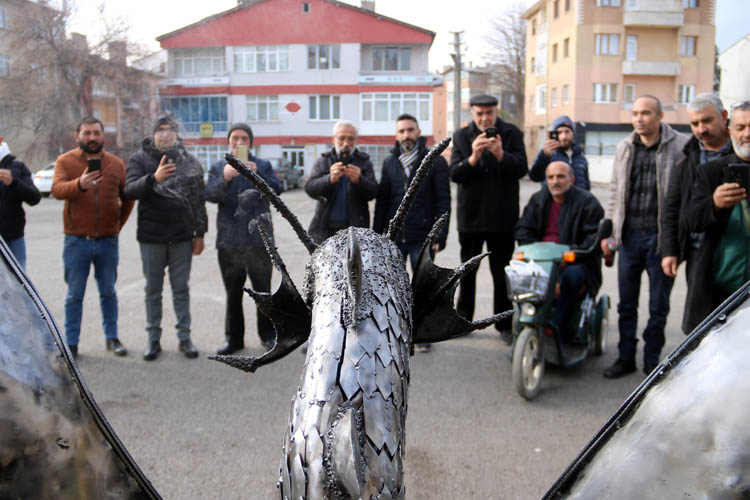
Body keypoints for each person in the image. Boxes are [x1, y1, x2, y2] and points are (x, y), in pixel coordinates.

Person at [601, 96, 689, 378]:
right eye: (635, 113)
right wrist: (612, 232)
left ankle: (652, 361)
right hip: (629, 238)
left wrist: (675, 242)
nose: (639, 118)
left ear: (660, 115)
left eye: (646, 113)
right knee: (627, 304)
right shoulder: (625, 146)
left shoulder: (681, 145)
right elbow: (615, 192)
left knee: (658, 306)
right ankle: (625, 357)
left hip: (662, 240)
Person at [125, 114, 207, 361]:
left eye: (169, 129)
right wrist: (154, 178)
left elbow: (198, 200)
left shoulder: (188, 161)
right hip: (152, 237)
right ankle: (153, 340)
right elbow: (129, 190)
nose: (165, 134)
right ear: (153, 133)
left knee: (181, 289)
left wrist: (200, 233)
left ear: (176, 133)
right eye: (160, 129)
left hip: (182, 236)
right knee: (153, 291)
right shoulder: (139, 159)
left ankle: (185, 338)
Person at [51, 117, 134, 359]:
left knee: (108, 292)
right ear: (77, 136)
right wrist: (79, 184)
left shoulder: (116, 164)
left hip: (108, 241)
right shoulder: (65, 161)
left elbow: (127, 198)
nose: (92, 138)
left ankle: (112, 337)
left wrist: (117, 226)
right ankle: (72, 343)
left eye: (96, 133)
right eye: (87, 133)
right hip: (77, 241)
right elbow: (56, 190)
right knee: (74, 294)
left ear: (103, 136)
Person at [449, 93, 527, 343]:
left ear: (496, 112)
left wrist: (501, 154)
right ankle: (463, 320)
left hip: (503, 218)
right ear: (472, 113)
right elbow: (456, 175)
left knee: (500, 273)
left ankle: (503, 325)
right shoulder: (461, 136)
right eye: (479, 113)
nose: (484, 118)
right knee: (468, 273)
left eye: (489, 113)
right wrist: (472, 157)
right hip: (470, 218)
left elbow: (522, 169)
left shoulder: (512, 133)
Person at [373, 113, 451, 353]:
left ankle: (421, 334)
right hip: (395, 237)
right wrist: (377, 235)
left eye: (410, 130)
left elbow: (443, 200)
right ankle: (397, 332)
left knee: (422, 287)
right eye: (402, 131)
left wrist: (440, 235)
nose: (406, 135)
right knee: (394, 287)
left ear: (418, 132)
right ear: (396, 136)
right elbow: (383, 201)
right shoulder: (390, 162)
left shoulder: (435, 160)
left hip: (423, 236)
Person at [205, 123, 281, 355]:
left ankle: (268, 336)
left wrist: (257, 176)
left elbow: (277, 191)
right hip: (229, 242)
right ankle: (234, 339)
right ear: (228, 141)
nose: (239, 142)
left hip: (259, 240)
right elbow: (210, 195)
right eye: (234, 138)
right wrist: (225, 178)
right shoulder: (219, 166)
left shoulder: (263, 165)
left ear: (251, 143)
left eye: (244, 139)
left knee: (263, 291)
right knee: (233, 292)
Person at [660, 93, 733, 334]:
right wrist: (670, 250)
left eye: (707, 121)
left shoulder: (741, 151)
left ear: (724, 117)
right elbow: (672, 207)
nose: (701, 129)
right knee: (703, 321)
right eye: (694, 123)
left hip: (734, 249)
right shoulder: (687, 157)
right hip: (698, 250)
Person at [516, 161, 604, 342]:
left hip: (575, 261)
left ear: (571, 179)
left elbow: (592, 240)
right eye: (551, 177)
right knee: (515, 277)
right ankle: (522, 323)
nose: (555, 181)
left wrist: (568, 255)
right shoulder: (537, 200)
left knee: (571, 278)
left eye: (561, 176)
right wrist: (534, 254)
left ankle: (559, 327)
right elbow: (524, 230)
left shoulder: (588, 202)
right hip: (541, 260)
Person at [684, 100, 750, 323]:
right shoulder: (710, 172)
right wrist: (714, 203)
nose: (746, 134)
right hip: (722, 291)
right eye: (740, 128)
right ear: (731, 131)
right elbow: (690, 220)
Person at [305, 120, 378, 244]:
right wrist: (329, 180)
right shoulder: (323, 161)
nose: (346, 143)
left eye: (351, 139)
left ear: (356, 140)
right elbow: (310, 189)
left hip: (356, 229)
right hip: (325, 229)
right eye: (342, 138)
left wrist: (359, 181)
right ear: (333, 139)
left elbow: (374, 192)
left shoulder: (364, 162)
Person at [0, 138, 41, 270]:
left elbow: (34, 198)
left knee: (18, 285)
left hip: (13, 237)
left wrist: (13, 182)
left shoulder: (17, 167)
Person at [528, 115, 591, 190]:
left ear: (573, 133)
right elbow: (534, 177)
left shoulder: (580, 156)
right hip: (555, 201)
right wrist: (544, 156)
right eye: (559, 132)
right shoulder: (547, 154)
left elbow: (586, 185)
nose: (563, 136)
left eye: (567, 132)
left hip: (579, 201)